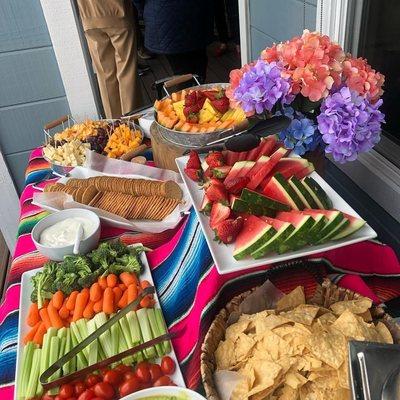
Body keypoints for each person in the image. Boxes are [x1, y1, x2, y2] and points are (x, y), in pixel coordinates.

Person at [76, 0, 142, 118]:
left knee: (105, 75)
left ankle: (114, 125)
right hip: (118, 13)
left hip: (89, 17)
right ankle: (132, 124)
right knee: (127, 72)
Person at [134, 0, 213, 83]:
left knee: (186, 71)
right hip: (196, 16)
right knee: (196, 67)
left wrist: (148, 11)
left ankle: (192, 92)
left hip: (166, 17)